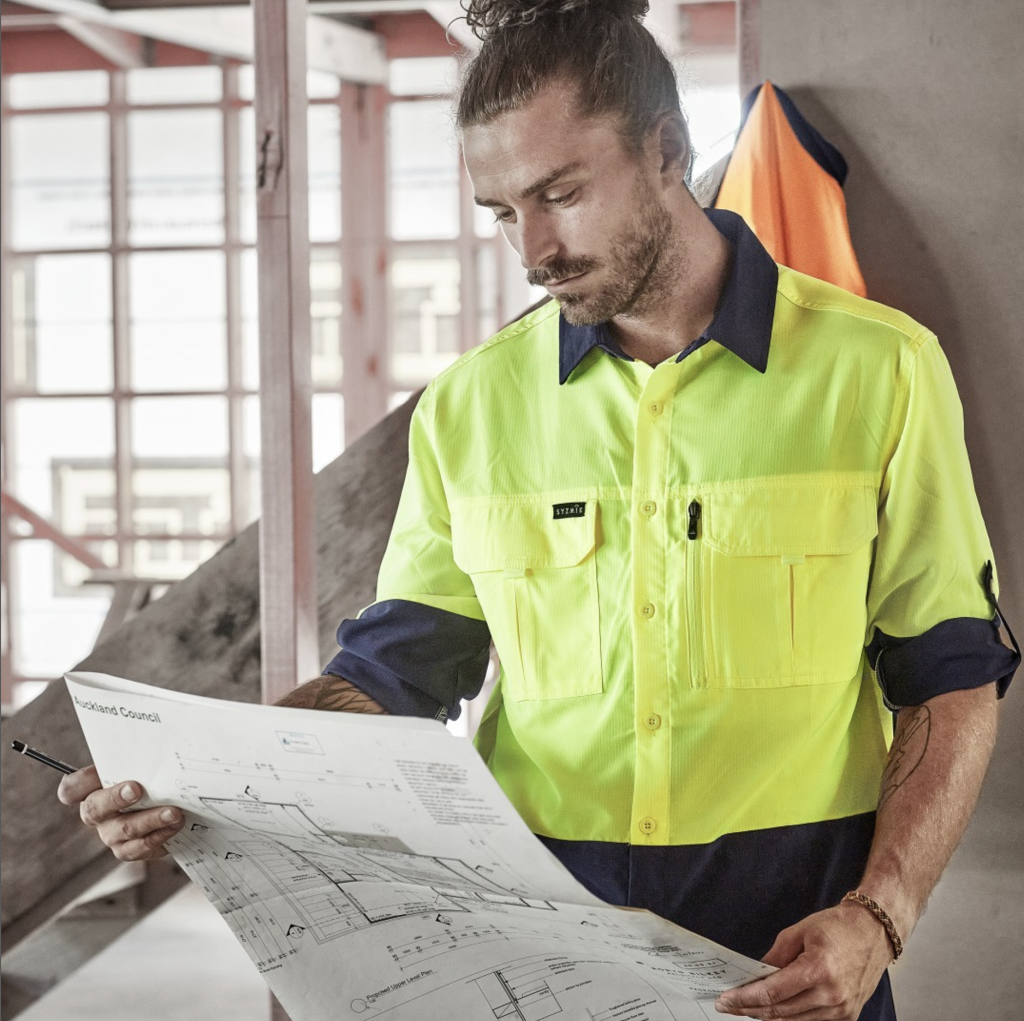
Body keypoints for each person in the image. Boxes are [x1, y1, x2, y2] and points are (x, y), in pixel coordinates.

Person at [59, 2, 1018, 1019]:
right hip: (534, 965)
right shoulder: (473, 405)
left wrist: (878, 917)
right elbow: (396, 673)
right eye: (501, 212)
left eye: (560, 194)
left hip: (791, 958)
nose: (533, 249)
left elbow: (949, 674)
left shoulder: (880, 371)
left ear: (667, 150)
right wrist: (200, 779)